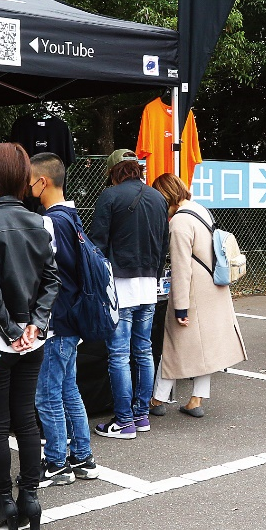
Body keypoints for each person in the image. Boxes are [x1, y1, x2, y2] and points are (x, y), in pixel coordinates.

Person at [0, 143, 59, 530]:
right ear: (24, 180)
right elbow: (52, 280)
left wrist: (9, 329)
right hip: (33, 338)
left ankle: (3, 503)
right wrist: (34, 324)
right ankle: (30, 499)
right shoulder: (40, 222)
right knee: (26, 418)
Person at [28, 153, 100, 486]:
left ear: (42, 182)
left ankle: (57, 462)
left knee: (47, 394)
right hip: (74, 317)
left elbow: (49, 277)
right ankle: (83, 458)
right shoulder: (72, 216)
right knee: (68, 389)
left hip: (57, 320)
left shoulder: (49, 222)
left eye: (29, 180)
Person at [149, 173, 246, 417]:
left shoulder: (179, 222)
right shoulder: (200, 210)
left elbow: (181, 269)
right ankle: (196, 400)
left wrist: (180, 307)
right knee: (206, 349)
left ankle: (157, 399)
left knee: (172, 346)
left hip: (192, 292)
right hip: (213, 288)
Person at [89, 148, 168, 439]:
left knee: (119, 355)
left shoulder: (110, 196)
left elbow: (97, 244)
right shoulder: (158, 198)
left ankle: (124, 421)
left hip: (120, 285)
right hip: (149, 286)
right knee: (144, 351)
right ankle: (141, 415)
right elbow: (164, 243)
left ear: (113, 171)